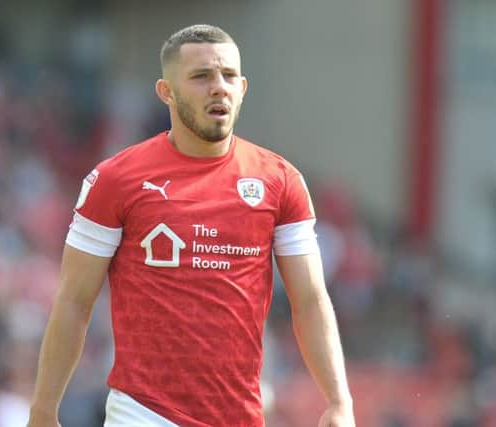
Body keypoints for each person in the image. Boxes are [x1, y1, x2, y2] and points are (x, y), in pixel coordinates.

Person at [27, 24, 355, 427]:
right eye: (201, 77)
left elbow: (310, 300)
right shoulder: (116, 180)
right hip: (143, 414)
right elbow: (74, 302)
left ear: (243, 87)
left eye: (229, 76)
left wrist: (339, 402)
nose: (219, 87)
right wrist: (43, 410)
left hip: (241, 417)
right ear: (166, 91)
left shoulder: (280, 181)